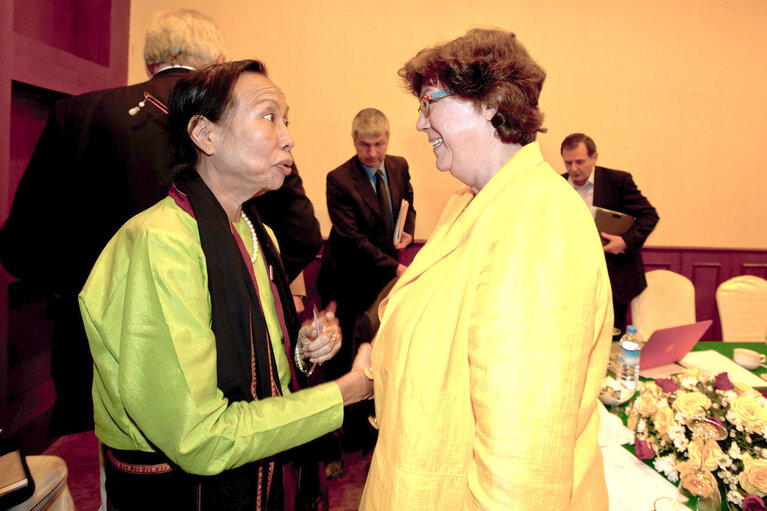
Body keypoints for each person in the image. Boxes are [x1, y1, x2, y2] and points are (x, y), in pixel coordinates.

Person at [0, 9, 321, 435]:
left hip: (94, 364)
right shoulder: (248, 133)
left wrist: (94, 291)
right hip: (228, 366)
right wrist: (243, 295)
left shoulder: (74, 116)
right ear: (217, 63)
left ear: (150, 62)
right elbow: (301, 234)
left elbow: (21, 248)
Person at [78, 60, 373, 510]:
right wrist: (348, 390)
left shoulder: (259, 233)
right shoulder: (160, 243)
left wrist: (299, 351)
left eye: (287, 120)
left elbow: (249, 369)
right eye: (269, 116)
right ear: (205, 134)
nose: (289, 136)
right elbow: (202, 437)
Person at [359, 29, 612, 509]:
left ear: (493, 101)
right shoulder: (471, 203)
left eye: (429, 101)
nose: (418, 122)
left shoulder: (539, 218)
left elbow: (522, 465)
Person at [319, 108, 415, 380]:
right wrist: (396, 267)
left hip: (382, 272)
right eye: (365, 145)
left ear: (388, 139)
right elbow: (352, 239)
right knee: (348, 352)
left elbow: (409, 202)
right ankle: (348, 415)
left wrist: (408, 231)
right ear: (354, 140)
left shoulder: (399, 166)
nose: (372, 153)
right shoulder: (338, 179)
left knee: (380, 344)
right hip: (348, 275)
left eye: (379, 144)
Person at [560, 133, 659, 336]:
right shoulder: (558, 184)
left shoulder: (617, 181)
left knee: (611, 337)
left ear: (594, 157)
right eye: (568, 163)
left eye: (580, 162)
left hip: (614, 276)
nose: (573, 169)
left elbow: (649, 216)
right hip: (572, 277)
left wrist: (624, 241)